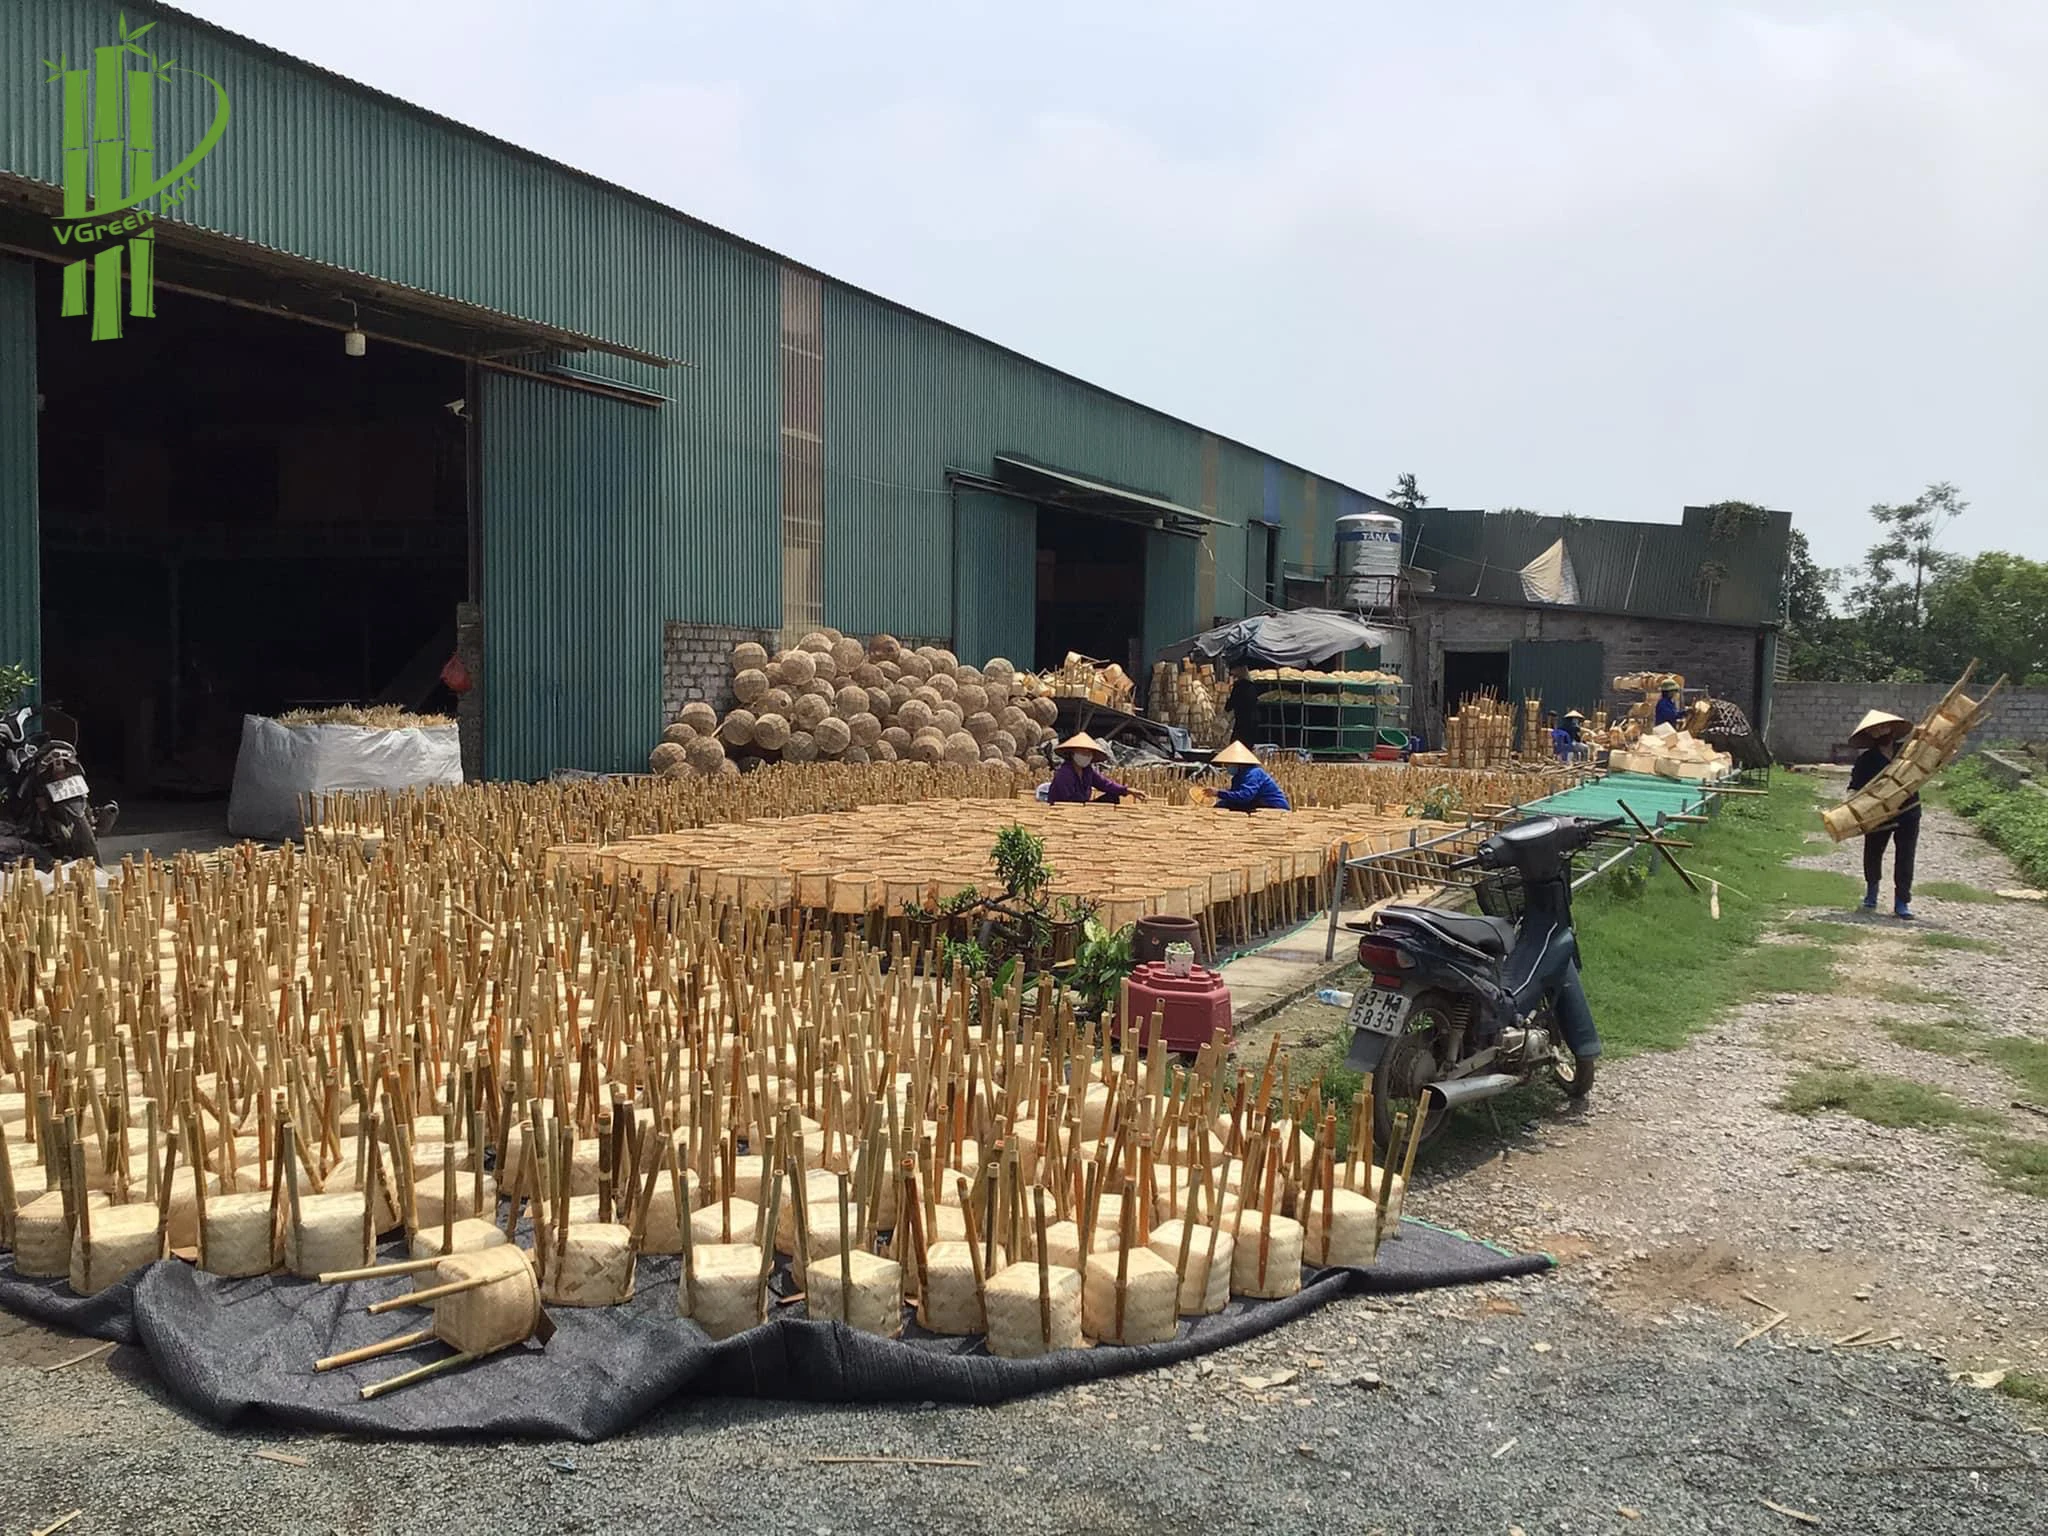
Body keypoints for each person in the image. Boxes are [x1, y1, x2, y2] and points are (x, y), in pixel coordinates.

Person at [1846, 709, 1919, 918]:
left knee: (1905, 856)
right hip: (1878, 814)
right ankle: (1872, 893)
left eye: (1884, 727)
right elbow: (1855, 787)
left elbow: (1929, 764)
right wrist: (1851, 806)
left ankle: (1901, 902)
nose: (1881, 732)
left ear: (1892, 729)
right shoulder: (1866, 760)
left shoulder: (1908, 752)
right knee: (1873, 852)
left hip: (1909, 811)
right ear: (1870, 735)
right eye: (1875, 730)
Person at [1045, 733, 1143, 805]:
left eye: (1088, 753)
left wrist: (1127, 790)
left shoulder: (1088, 771)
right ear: (1072, 753)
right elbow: (1067, 799)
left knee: (1112, 796)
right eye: (1082, 752)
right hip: (1065, 807)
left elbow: (1105, 784)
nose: (1086, 756)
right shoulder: (1065, 773)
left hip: (1083, 806)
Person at [1208, 741, 1291, 812]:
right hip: (1257, 804)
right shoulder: (1237, 777)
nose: (1227, 767)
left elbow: (1245, 796)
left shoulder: (1254, 773)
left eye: (1228, 764)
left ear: (1238, 763)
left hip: (1274, 807)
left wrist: (1218, 793)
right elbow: (1236, 797)